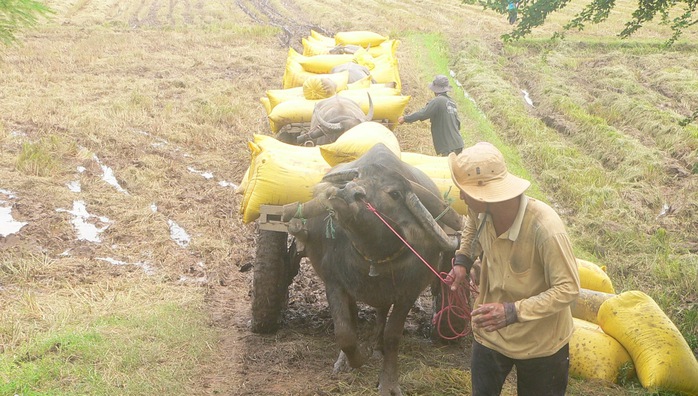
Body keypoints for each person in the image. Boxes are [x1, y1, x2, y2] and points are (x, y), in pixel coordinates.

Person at [447, 142, 580, 396]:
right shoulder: (480, 210)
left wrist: (512, 311)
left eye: (466, 191)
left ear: (487, 194)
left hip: (541, 343)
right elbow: (471, 227)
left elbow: (569, 288)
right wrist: (463, 260)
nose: (461, 196)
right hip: (491, 331)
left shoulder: (546, 229)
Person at [398, 75, 464, 156]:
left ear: (435, 90)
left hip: (449, 146)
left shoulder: (438, 101)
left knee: (446, 167)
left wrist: (405, 118)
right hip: (458, 144)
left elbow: (423, 113)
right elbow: (458, 124)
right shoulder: (452, 102)